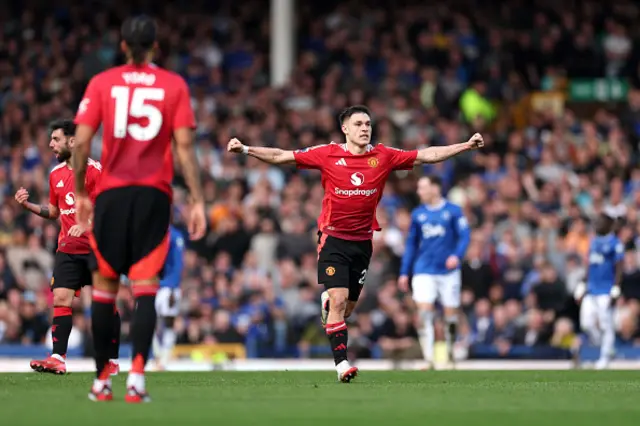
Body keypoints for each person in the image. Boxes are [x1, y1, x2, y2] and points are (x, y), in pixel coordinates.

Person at [227, 104, 484, 381]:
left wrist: (465, 146)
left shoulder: (383, 155)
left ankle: (330, 307)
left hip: (363, 243)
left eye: (368, 124)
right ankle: (341, 365)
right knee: (338, 301)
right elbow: (280, 156)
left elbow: (427, 155)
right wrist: (245, 149)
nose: (365, 129)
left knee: (346, 308)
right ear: (345, 129)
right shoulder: (328, 154)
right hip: (333, 239)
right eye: (359, 124)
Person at [72, 15, 206, 402]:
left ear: (124, 45)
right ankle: (136, 380)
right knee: (145, 289)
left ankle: (101, 382)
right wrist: (197, 199)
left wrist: (81, 193)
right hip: (153, 195)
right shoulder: (173, 85)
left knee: (104, 290)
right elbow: (184, 147)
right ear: (156, 47)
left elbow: (80, 144)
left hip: (112, 195)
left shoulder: (102, 83)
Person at [14, 119, 120, 375]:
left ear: (72, 142)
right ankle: (58, 357)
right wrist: (28, 205)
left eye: (56, 139)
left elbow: (108, 208)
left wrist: (86, 224)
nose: (51, 144)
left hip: (98, 248)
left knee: (105, 305)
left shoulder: (96, 171)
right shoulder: (55, 174)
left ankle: (112, 361)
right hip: (68, 249)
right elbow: (53, 211)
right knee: (61, 299)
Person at [398, 176, 470, 369]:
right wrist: (404, 272)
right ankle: (428, 358)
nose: (419, 192)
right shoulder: (417, 214)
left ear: (435, 188)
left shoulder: (453, 211)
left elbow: (464, 236)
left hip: (448, 271)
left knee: (450, 314)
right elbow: (411, 245)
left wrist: (457, 255)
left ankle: (450, 352)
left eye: (423, 188)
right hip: (424, 269)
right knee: (424, 312)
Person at [574, 213, 623, 370]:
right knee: (586, 324)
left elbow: (619, 267)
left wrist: (616, 288)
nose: (596, 224)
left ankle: (605, 357)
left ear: (609, 225)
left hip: (605, 290)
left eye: (600, 221)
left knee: (606, 325)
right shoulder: (593, 242)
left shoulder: (615, 243)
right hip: (591, 289)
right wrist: (582, 285)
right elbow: (590, 265)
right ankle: (607, 347)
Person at [152, 224, 186, 370]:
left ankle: (164, 358)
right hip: (152, 284)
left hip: (168, 286)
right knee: (148, 320)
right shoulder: (152, 232)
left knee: (168, 322)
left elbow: (178, 263)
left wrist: (173, 287)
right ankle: (158, 355)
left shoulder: (175, 235)